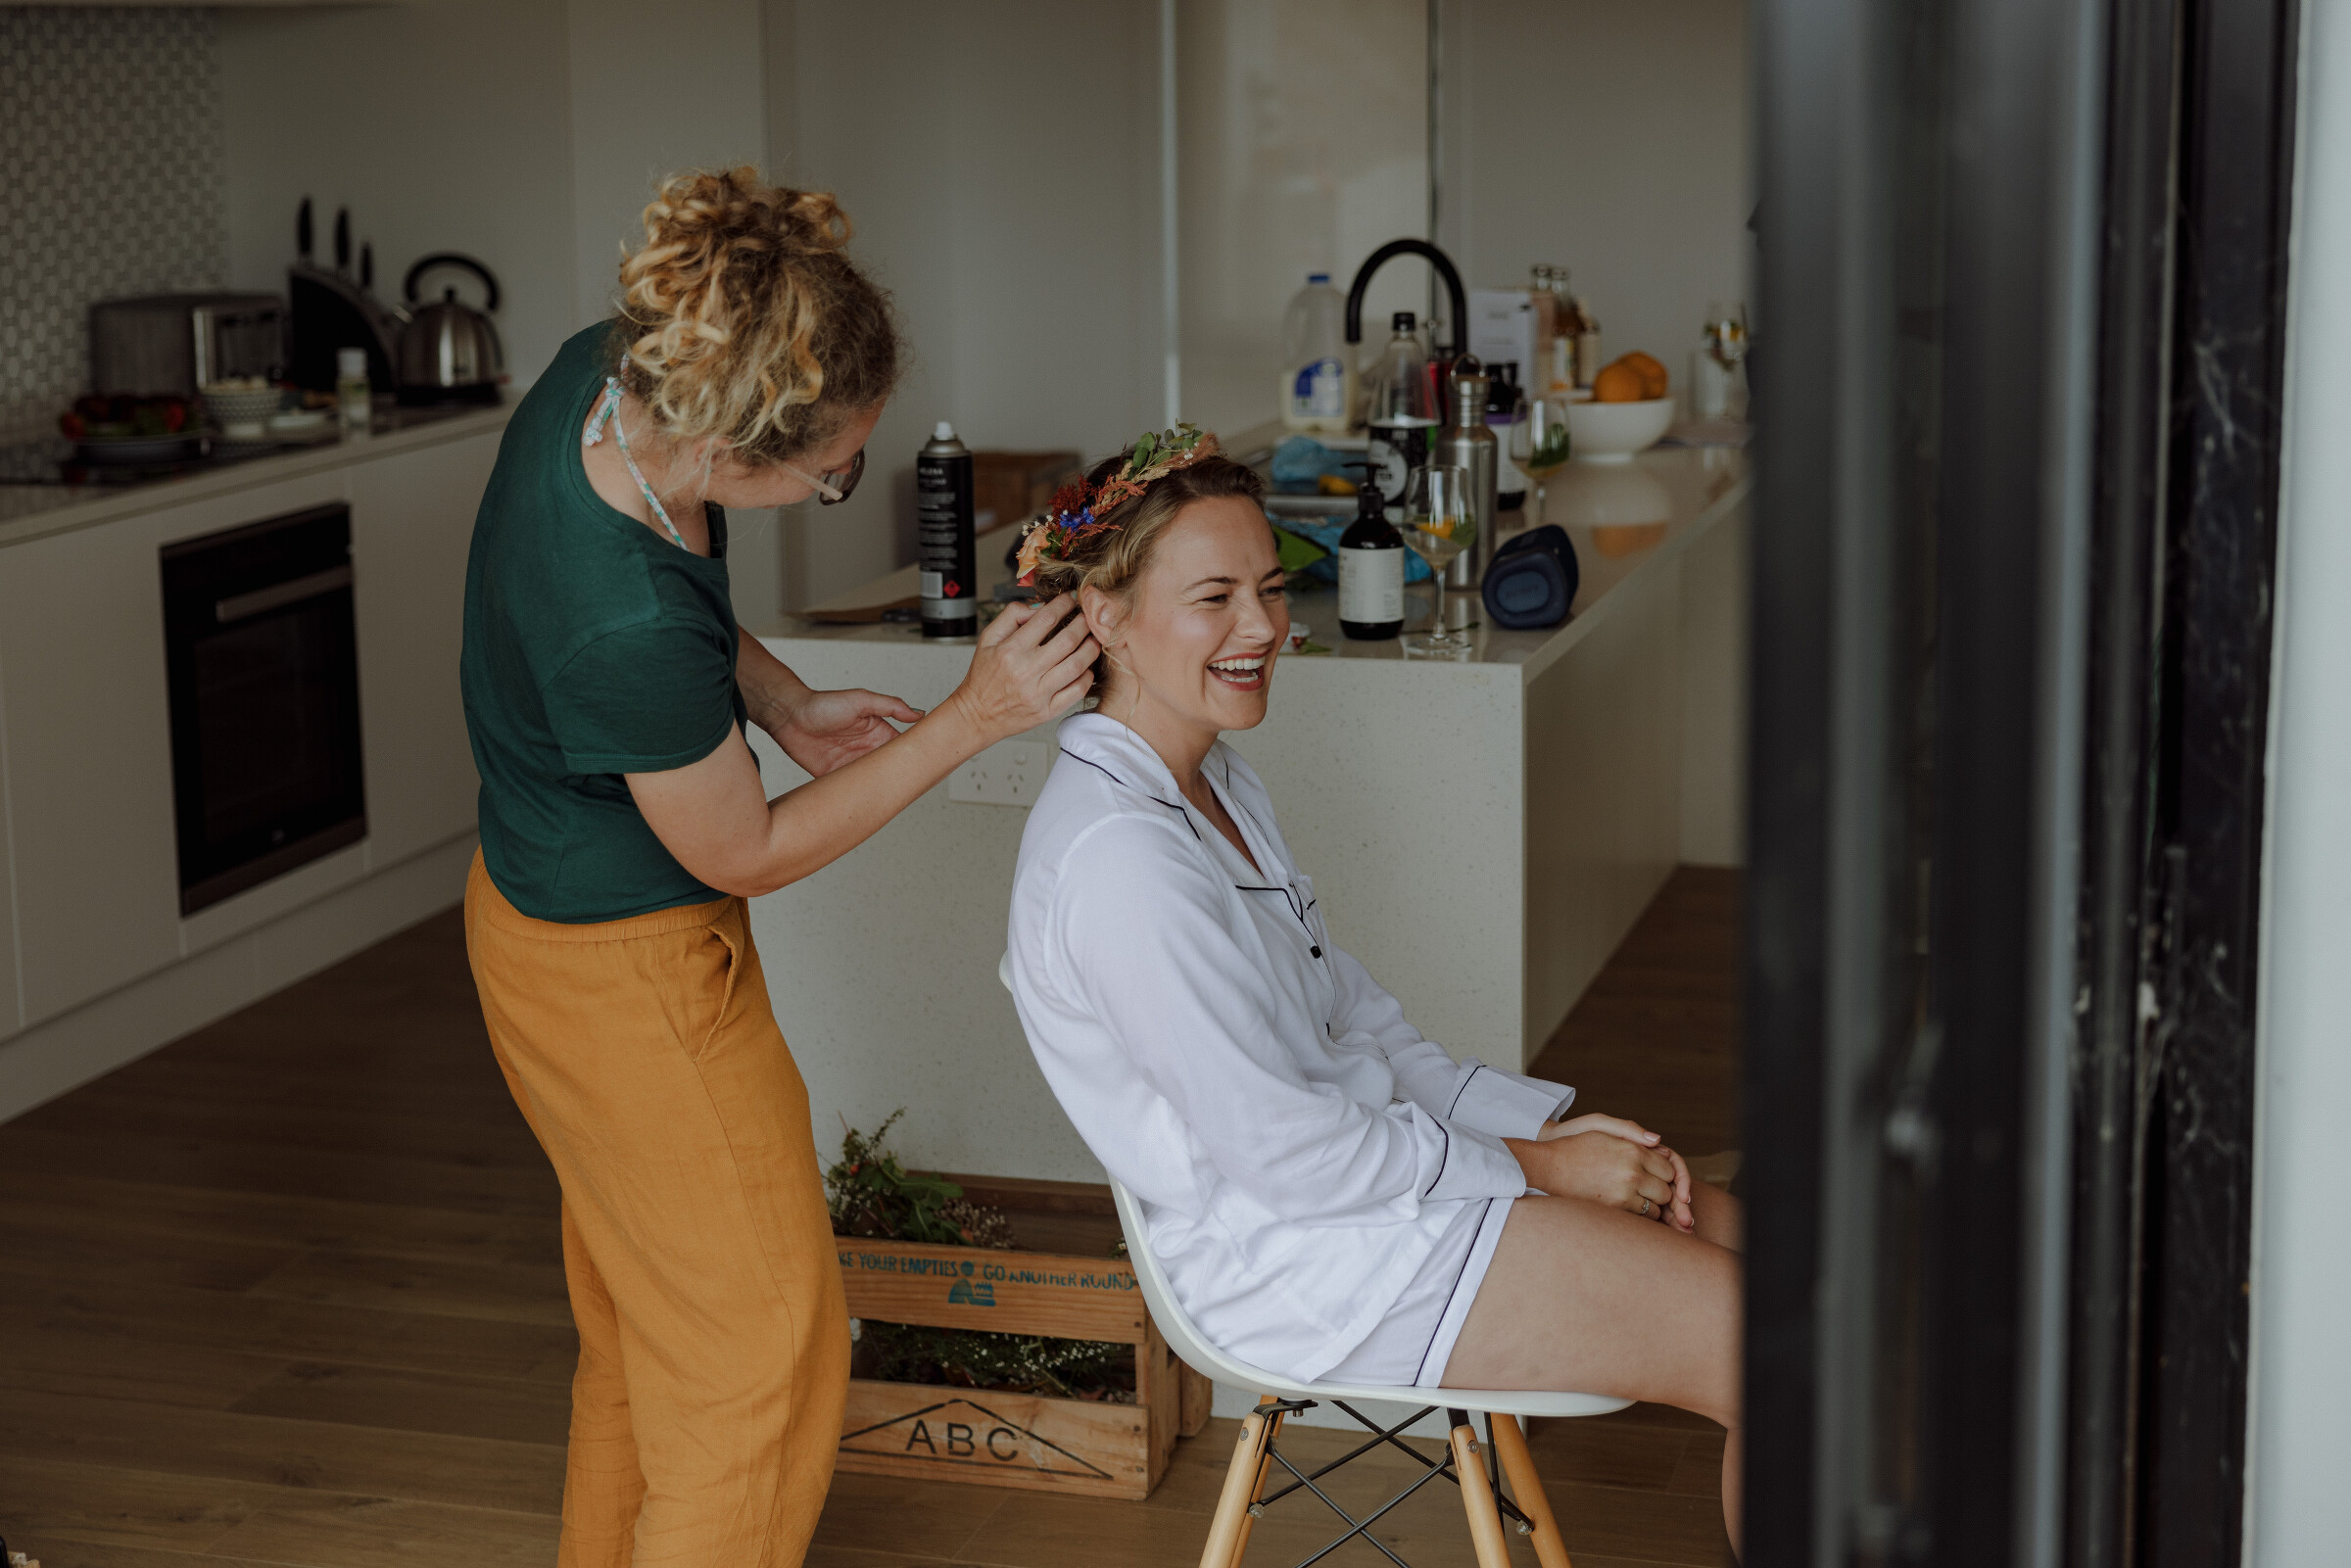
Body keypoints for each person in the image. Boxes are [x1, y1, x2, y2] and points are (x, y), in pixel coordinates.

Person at [459, 167, 1097, 1567]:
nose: (837, 487)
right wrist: (974, 719)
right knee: (757, 1362)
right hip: (625, 986)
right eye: (830, 472)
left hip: (538, 923)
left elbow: (680, 616)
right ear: (728, 437)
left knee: (652, 1334)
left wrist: (786, 702)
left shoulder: (614, 377)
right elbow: (741, 846)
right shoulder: (615, 616)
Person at [1003, 431, 1745, 1551]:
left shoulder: (1214, 783)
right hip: (1311, 1258)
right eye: (1213, 596)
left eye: (1268, 588)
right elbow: (1288, 1153)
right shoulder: (1121, 861)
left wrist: (1547, 1130)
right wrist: (1543, 1170)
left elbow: (1357, 1023)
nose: (1261, 626)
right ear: (1104, 615)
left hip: (1378, 1189)